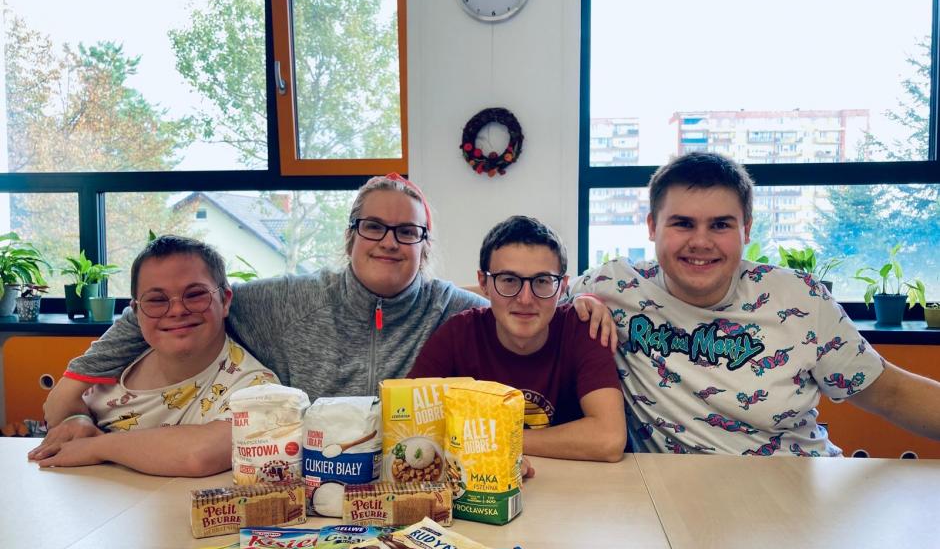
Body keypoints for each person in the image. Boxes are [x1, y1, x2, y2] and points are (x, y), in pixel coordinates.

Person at [34, 174, 613, 463]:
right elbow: (182, 302)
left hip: (400, 490)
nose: (389, 241)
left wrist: (577, 303)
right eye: (374, 227)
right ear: (351, 236)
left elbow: (516, 303)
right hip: (300, 493)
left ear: (424, 244)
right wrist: (78, 394)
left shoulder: (452, 309)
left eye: (407, 231)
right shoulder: (286, 299)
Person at [570, 151, 940, 455]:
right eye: (682, 223)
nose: (701, 242)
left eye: (720, 225)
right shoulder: (614, 286)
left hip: (799, 488)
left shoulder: (801, 299)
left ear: (746, 229)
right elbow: (540, 298)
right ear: (652, 227)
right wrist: (582, 302)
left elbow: (890, 393)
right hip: (678, 498)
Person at [29, 236, 277, 475]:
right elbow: (58, 408)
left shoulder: (255, 387)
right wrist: (78, 419)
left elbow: (199, 455)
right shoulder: (119, 360)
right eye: (157, 300)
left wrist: (96, 446)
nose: (177, 310)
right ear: (136, 312)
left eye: (195, 295)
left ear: (225, 301)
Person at [409, 216, 626, 463]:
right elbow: (407, 420)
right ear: (484, 283)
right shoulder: (457, 334)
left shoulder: (582, 328)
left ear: (562, 286)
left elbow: (609, 439)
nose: (525, 299)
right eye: (509, 280)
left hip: (572, 482)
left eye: (542, 281)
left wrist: (494, 441)